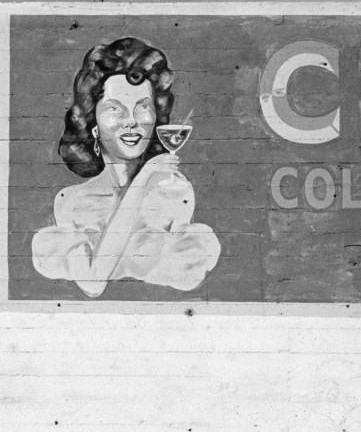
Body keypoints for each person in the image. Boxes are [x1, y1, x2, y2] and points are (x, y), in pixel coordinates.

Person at [32, 37, 220, 298]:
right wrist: (144, 177)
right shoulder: (70, 202)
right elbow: (93, 282)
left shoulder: (176, 193)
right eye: (115, 109)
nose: (131, 121)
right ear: (92, 124)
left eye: (142, 107)